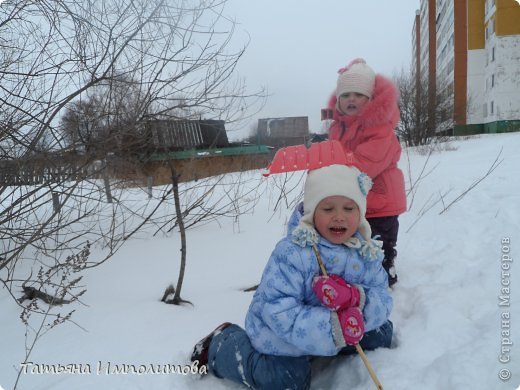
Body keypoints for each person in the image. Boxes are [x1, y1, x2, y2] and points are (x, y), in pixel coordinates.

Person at [191, 163, 393, 390]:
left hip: (336, 328)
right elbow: (279, 311)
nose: (339, 217)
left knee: (381, 334)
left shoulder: (365, 251)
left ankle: (328, 342)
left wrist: (355, 298)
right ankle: (223, 343)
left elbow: (382, 297)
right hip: (280, 334)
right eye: (328, 209)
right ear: (311, 212)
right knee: (285, 380)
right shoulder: (293, 252)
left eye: (349, 208)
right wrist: (334, 326)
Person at [323, 58, 407, 287]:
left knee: (379, 241)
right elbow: (334, 156)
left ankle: (385, 271)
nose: (351, 99)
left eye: (359, 94)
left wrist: (331, 164)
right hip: (354, 198)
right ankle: (356, 273)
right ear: (338, 101)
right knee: (355, 240)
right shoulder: (338, 128)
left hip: (380, 200)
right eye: (346, 94)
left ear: (371, 99)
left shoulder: (381, 130)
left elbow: (365, 164)